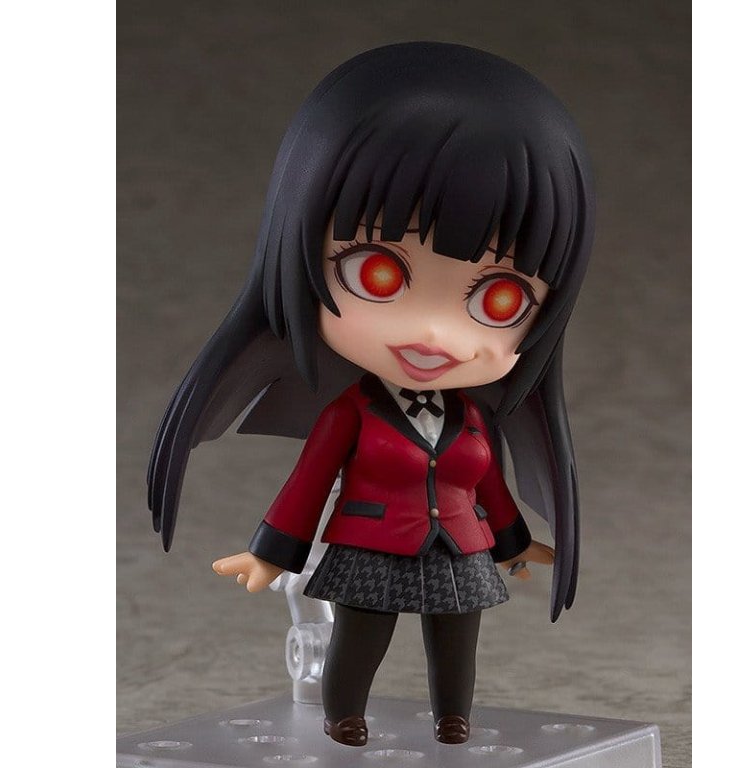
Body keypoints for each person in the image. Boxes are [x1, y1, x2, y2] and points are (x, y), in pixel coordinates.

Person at [148, 41, 596, 747]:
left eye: (499, 299)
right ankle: (344, 714)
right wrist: (272, 552)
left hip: (458, 546)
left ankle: (453, 717)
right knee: (363, 635)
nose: (433, 333)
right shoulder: (352, 413)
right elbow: (308, 482)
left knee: (457, 637)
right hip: (370, 542)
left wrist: (513, 542)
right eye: (378, 274)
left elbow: (488, 485)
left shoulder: (471, 416)